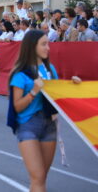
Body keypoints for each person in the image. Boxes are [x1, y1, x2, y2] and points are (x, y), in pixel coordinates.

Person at [8, 30, 82, 192]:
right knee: (38, 177)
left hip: (49, 125)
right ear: (32, 46)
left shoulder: (50, 69)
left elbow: (58, 93)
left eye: (48, 43)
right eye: (43, 44)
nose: (48, 48)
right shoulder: (21, 73)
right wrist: (34, 91)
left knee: (40, 179)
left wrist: (73, 84)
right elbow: (17, 106)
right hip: (28, 125)